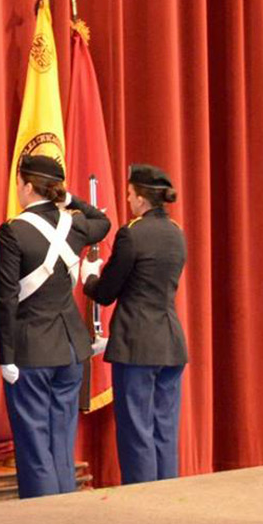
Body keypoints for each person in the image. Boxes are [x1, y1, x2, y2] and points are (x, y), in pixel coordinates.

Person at [0, 155, 110, 498]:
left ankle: (43, 516)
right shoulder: (74, 225)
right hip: (71, 348)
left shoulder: (13, 230)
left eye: (19, 183)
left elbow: (5, 297)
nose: (17, 189)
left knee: (33, 443)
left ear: (28, 186)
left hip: (31, 350)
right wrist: (70, 199)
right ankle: (66, 512)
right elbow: (101, 221)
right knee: (61, 439)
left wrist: (5, 355)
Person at [81, 164, 187, 485]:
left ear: (141, 198)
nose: (127, 200)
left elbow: (108, 292)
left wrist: (89, 278)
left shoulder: (132, 233)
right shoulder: (176, 232)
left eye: (129, 194)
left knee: (136, 431)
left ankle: (142, 506)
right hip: (170, 342)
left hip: (136, 345)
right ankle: (168, 503)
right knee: (164, 430)